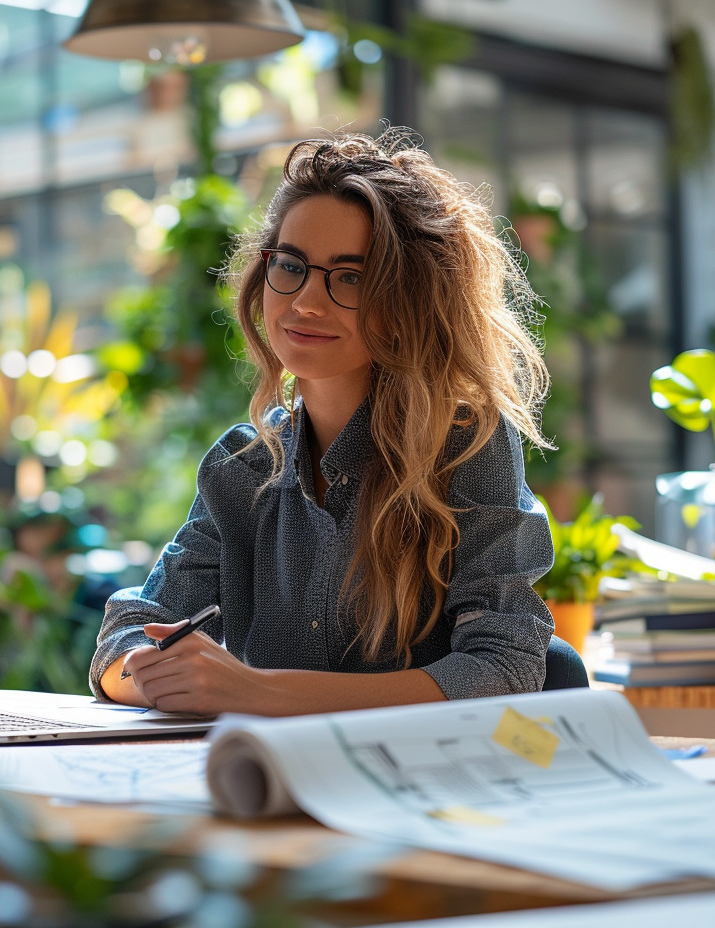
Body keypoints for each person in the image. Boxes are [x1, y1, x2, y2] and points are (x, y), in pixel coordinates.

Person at [91, 128, 563, 717]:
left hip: (415, 791)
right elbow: (132, 629)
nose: (306, 302)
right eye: (291, 266)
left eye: (351, 277)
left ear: (409, 299)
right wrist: (162, 679)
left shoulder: (465, 448)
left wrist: (256, 692)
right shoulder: (244, 465)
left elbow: (504, 669)